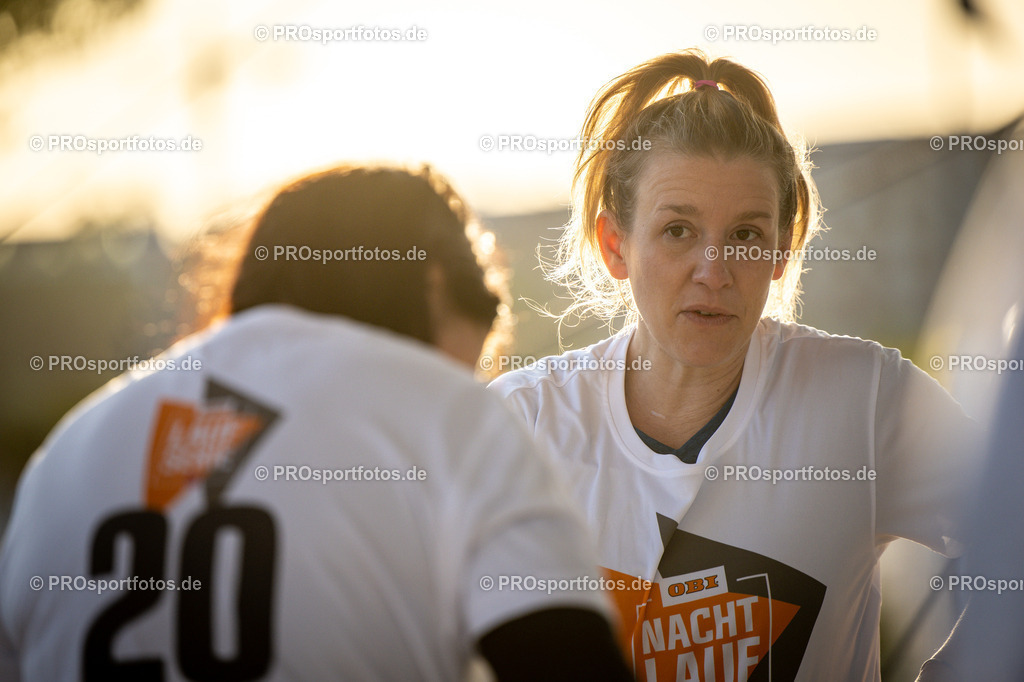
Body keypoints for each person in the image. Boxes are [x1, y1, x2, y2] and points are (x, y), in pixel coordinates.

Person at [0, 165, 633, 681]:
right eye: (456, 370)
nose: (453, 387)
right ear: (436, 284)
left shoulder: (65, 456)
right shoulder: (456, 423)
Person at [489, 51, 978, 681]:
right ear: (616, 245)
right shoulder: (522, 422)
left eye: (746, 234)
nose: (714, 271)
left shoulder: (865, 400)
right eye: (678, 231)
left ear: (781, 250)